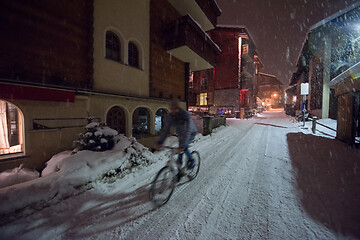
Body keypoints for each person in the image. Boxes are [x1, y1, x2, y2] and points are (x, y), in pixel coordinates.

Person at [156, 99, 198, 169]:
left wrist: (182, 146)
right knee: (180, 148)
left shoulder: (185, 115)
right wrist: (160, 142)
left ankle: (192, 160)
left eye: (174, 109)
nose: (172, 110)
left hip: (191, 133)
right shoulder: (171, 116)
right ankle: (180, 166)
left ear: (178, 108)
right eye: (171, 109)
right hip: (181, 134)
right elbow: (166, 130)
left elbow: (187, 131)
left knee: (184, 147)